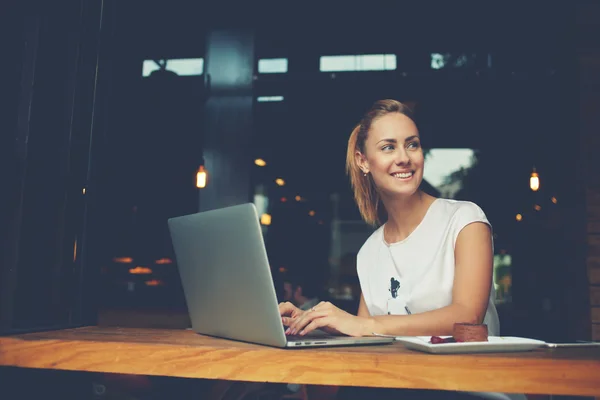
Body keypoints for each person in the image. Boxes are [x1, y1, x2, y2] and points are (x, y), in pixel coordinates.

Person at [279, 99, 523, 400]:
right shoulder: (369, 252)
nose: (404, 157)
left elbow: (467, 316)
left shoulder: (465, 219)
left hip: (469, 388)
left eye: (412, 144)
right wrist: (311, 324)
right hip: (397, 385)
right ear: (363, 161)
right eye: (388, 147)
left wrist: (363, 325)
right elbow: (363, 340)